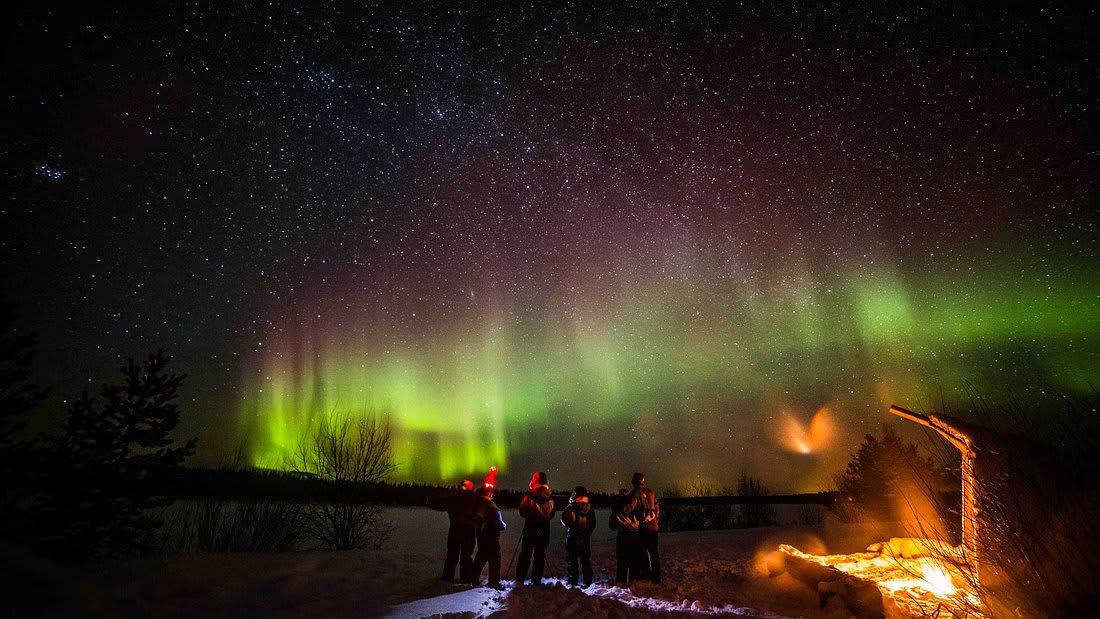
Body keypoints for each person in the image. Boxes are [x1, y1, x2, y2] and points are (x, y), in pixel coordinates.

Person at [431, 479, 478, 584]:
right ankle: (465, 580)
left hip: (455, 532)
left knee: (452, 556)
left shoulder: (454, 499)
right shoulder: (474, 500)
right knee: (465, 557)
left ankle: (447, 579)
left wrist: (430, 501)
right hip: (468, 533)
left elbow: (440, 506)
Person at [516, 470, 555, 585]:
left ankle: (520, 579)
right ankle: (536, 580)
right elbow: (551, 514)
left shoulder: (529, 496)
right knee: (539, 555)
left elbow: (522, 512)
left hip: (530, 529)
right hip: (543, 530)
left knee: (525, 554)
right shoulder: (550, 497)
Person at [470, 467, 506, 589]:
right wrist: (503, 525)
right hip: (491, 537)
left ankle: (472, 579)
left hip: (481, 536)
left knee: (480, 557)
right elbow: (499, 524)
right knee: (495, 560)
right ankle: (494, 583)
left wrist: (492, 473)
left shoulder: (478, 502)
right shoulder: (490, 505)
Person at [626, 471, 661, 583]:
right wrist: (655, 521)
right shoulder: (651, 492)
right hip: (653, 527)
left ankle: (646, 575)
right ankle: (656, 577)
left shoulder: (634, 494)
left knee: (643, 552)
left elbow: (629, 508)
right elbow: (657, 509)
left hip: (643, 528)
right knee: (654, 552)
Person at [560, 485, 597, 587]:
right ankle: (588, 580)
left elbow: (564, 521)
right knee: (585, 560)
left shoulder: (572, 506)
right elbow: (593, 523)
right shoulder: (589, 508)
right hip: (585, 536)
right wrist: (587, 532)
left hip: (573, 535)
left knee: (572, 560)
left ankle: (573, 580)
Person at [608, 488, 641, 583]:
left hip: (622, 534)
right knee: (634, 559)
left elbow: (612, 526)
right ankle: (634, 581)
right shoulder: (635, 503)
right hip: (634, 533)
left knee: (622, 560)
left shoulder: (616, 506)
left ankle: (621, 581)